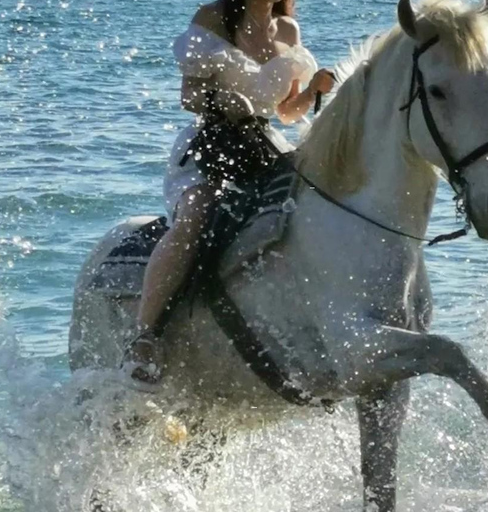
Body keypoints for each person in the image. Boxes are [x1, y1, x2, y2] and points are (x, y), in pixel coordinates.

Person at [122, 0, 335, 385]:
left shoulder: (287, 30)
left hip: (263, 145)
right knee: (196, 216)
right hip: (210, 144)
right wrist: (221, 100)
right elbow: (188, 96)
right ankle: (145, 336)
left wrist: (315, 89)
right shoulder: (213, 18)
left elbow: (287, 112)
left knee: (317, 204)